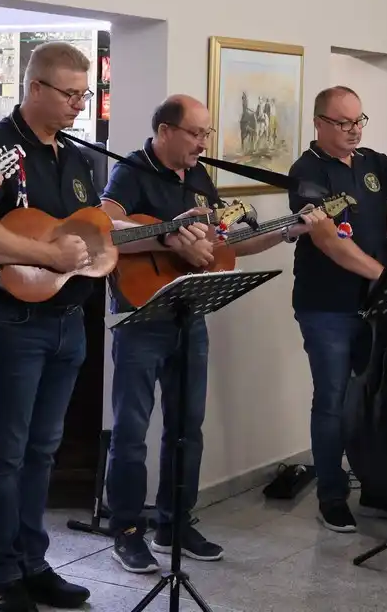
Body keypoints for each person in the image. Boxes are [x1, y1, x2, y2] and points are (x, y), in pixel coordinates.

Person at [0, 42, 198, 612]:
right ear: (35, 89)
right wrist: (49, 256)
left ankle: (34, 562)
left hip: (69, 319)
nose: (77, 104)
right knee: (7, 450)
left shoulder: (76, 157)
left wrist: (162, 234)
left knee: (43, 448)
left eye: (83, 94)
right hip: (13, 321)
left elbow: (93, 233)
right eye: (69, 94)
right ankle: (2, 574)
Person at [100, 94, 327, 573]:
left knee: (187, 428)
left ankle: (174, 522)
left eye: (206, 134)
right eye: (196, 134)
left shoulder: (200, 178)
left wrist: (289, 231)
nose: (203, 143)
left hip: (190, 313)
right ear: (165, 131)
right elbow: (104, 227)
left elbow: (228, 245)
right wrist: (167, 233)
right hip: (141, 317)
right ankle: (124, 530)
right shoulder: (132, 171)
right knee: (132, 431)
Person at [287, 85, 387, 533]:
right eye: (343, 123)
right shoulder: (307, 171)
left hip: (375, 305)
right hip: (327, 306)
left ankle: (377, 489)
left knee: (374, 398)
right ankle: (332, 496)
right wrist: (385, 274)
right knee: (333, 401)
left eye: (359, 121)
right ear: (318, 124)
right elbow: (329, 240)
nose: (354, 130)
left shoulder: (372, 161)